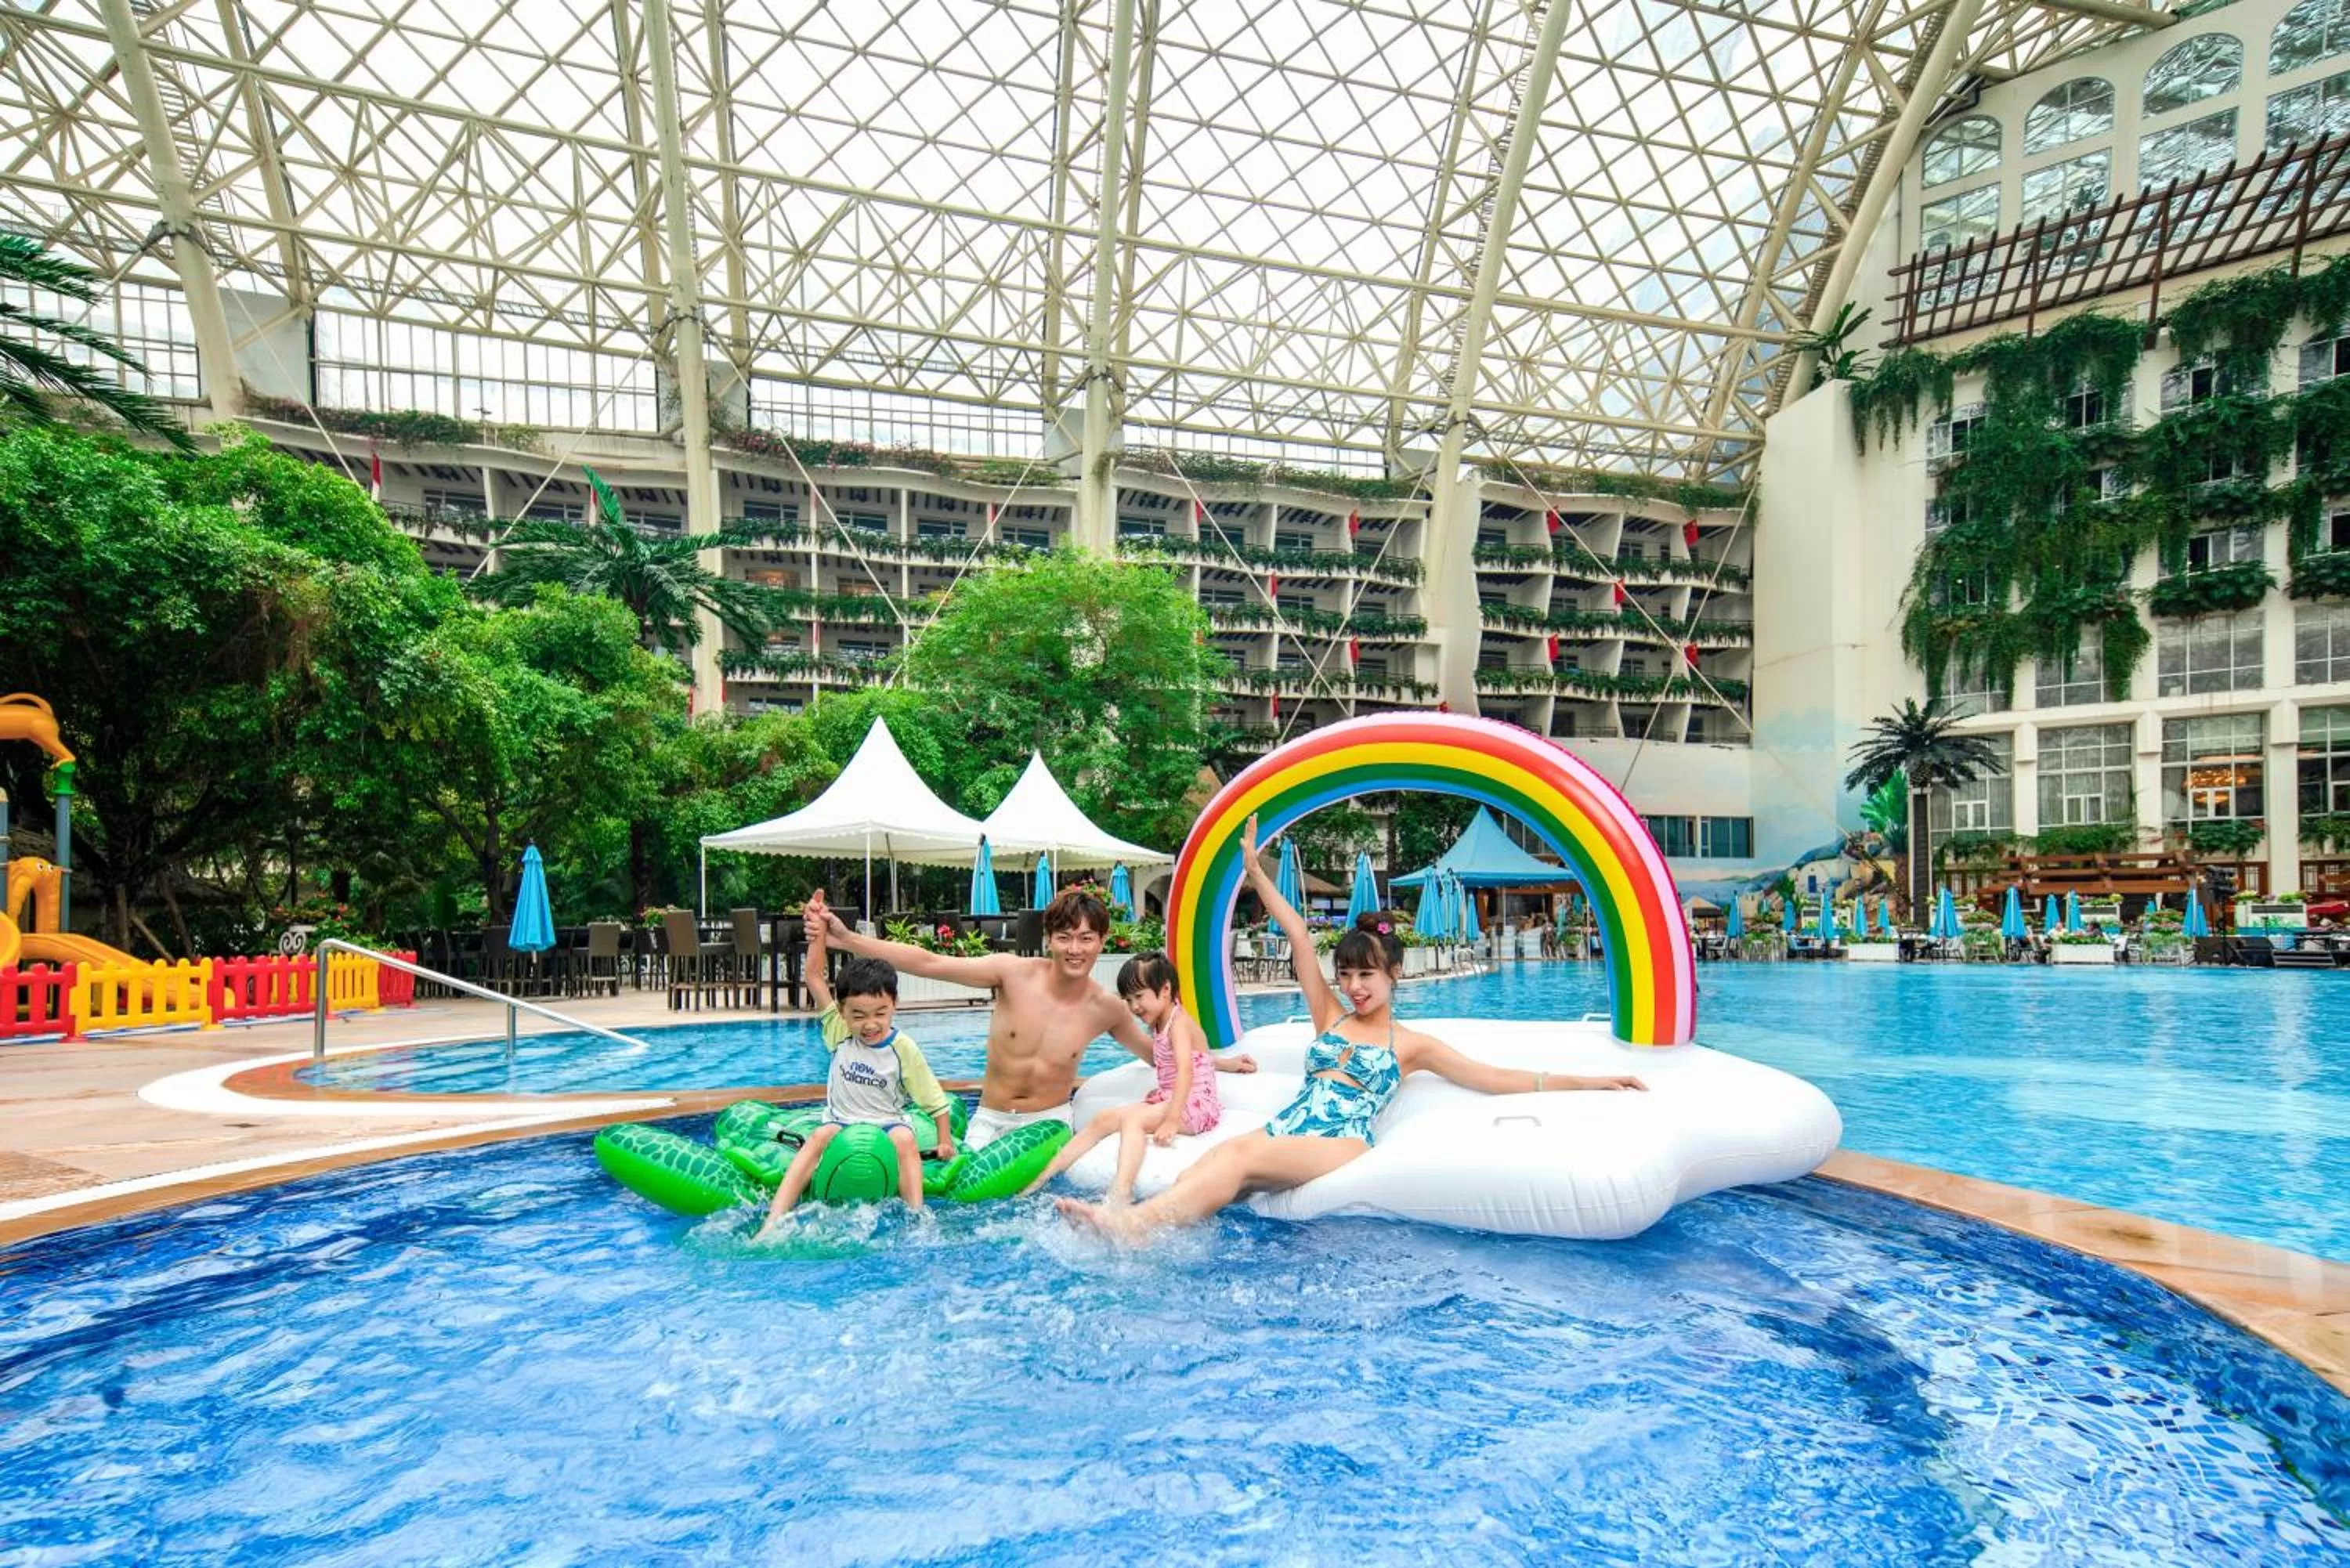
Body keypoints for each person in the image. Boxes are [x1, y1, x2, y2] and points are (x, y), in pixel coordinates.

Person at [1058, 815, 1646, 1241]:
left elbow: (1495, 1077)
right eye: (1348, 974)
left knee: (1233, 1164)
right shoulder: (1329, 1016)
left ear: (1394, 975)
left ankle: (1131, 1229)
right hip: (1288, 1126)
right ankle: (1157, 1235)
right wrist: (1256, 877)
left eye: (1367, 975)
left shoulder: (1410, 1045)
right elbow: (1299, 939)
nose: (1355, 986)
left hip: (1340, 1142)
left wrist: (1591, 1082)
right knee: (1210, 1163)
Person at [814, 885, 1254, 1152]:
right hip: (988, 1118)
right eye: (1065, 937)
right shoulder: (1012, 973)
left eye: (1086, 938)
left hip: (1047, 1125)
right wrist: (849, 938)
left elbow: (1160, 1056)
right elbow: (929, 963)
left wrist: (1220, 1062)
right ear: (1049, 939)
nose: (1075, 949)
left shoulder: (1108, 1009)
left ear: (1103, 941)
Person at [756, 910, 953, 1235]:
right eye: (858, 1015)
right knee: (819, 1136)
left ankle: (918, 1219)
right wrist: (818, 933)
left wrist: (945, 1141)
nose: (870, 1024)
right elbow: (814, 977)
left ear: (895, 1005)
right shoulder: (838, 1030)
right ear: (843, 1012)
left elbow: (934, 1099)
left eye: (880, 1013)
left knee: (905, 1139)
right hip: (841, 1120)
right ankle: (774, 1218)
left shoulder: (903, 1048)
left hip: (887, 1122)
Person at [1021, 951, 1220, 1202]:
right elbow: (1198, 1055)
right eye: (1128, 999)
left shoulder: (1178, 1023)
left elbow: (1186, 1070)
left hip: (1193, 1105)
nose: (1134, 1007)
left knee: (1133, 1121)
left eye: (1139, 997)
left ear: (1166, 989)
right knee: (1103, 1119)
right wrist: (1228, 1064)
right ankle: (1042, 1177)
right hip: (1172, 1098)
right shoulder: (1161, 1020)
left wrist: (1171, 1120)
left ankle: (1121, 1192)